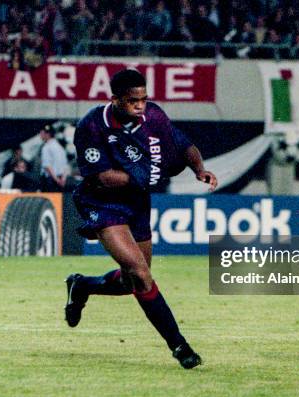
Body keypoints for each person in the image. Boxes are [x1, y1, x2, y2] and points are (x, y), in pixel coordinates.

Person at [65, 69, 217, 369]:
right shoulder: (92, 126)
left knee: (131, 281)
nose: (140, 106)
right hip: (102, 203)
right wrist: (146, 175)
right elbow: (101, 177)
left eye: (144, 99)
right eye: (133, 101)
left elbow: (183, 143)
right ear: (116, 99)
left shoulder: (155, 117)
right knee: (140, 273)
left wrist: (199, 169)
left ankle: (81, 286)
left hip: (136, 203)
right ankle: (179, 346)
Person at [40, 124, 68, 192]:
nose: (40, 135)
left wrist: (56, 180)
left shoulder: (46, 147)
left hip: (50, 179)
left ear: (47, 134)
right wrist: (63, 179)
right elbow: (65, 165)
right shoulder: (60, 147)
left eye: (42, 133)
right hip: (61, 178)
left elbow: (47, 166)